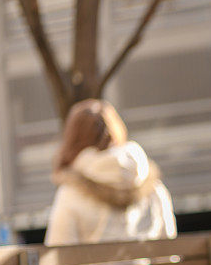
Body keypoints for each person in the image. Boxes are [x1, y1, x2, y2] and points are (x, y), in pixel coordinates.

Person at [44, 99, 177, 246]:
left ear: (72, 139)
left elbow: (58, 256)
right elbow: (169, 249)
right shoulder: (154, 188)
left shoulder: (70, 194)